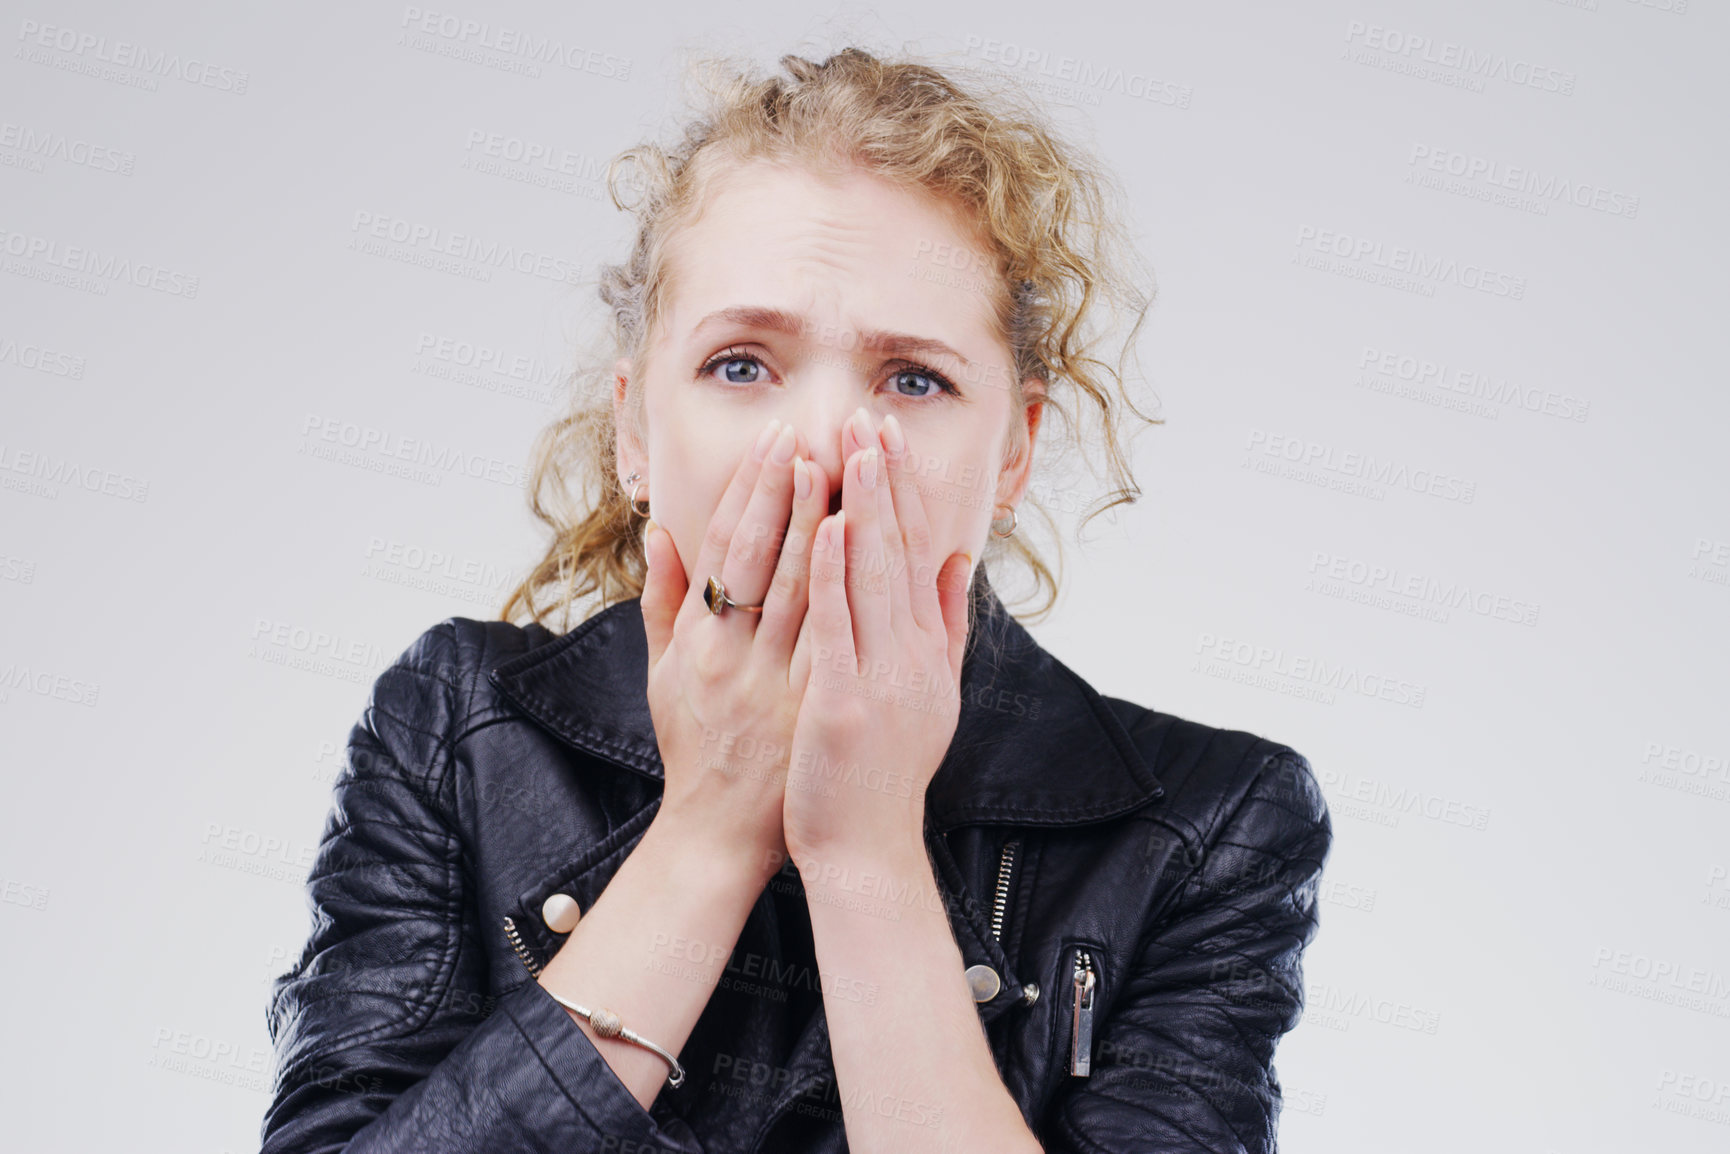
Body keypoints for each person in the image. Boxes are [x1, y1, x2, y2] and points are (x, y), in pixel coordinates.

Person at [262, 46, 1332, 1154]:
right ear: (635, 431)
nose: (822, 442)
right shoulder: (457, 725)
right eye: (740, 364)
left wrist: (865, 845)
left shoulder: (1211, 821)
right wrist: (712, 825)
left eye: (912, 379)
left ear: (1013, 453)